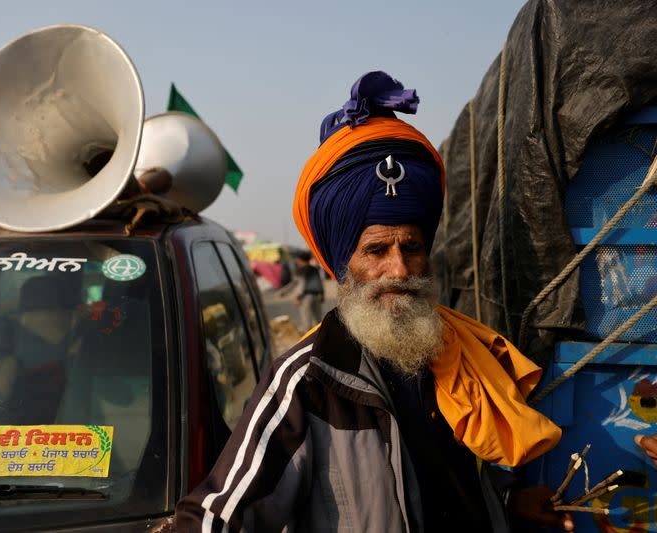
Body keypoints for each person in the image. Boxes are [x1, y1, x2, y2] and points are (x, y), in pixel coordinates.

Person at [175, 72, 575, 532]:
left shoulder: (464, 354)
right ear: (343, 265)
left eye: (412, 247)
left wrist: (510, 504)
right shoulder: (307, 383)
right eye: (377, 250)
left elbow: (457, 485)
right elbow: (215, 516)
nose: (401, 271)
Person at [289, 251, 325, 330]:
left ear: (300, 260)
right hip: (316, 295)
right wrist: (322, 294)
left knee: (306, 320)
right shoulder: (315, 269)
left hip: (305, 297)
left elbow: (301, 284)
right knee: (318, 319)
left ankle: (310, 340)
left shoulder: (300, 270)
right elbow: (320, 282)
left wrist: (298, 296)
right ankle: (322, 336)